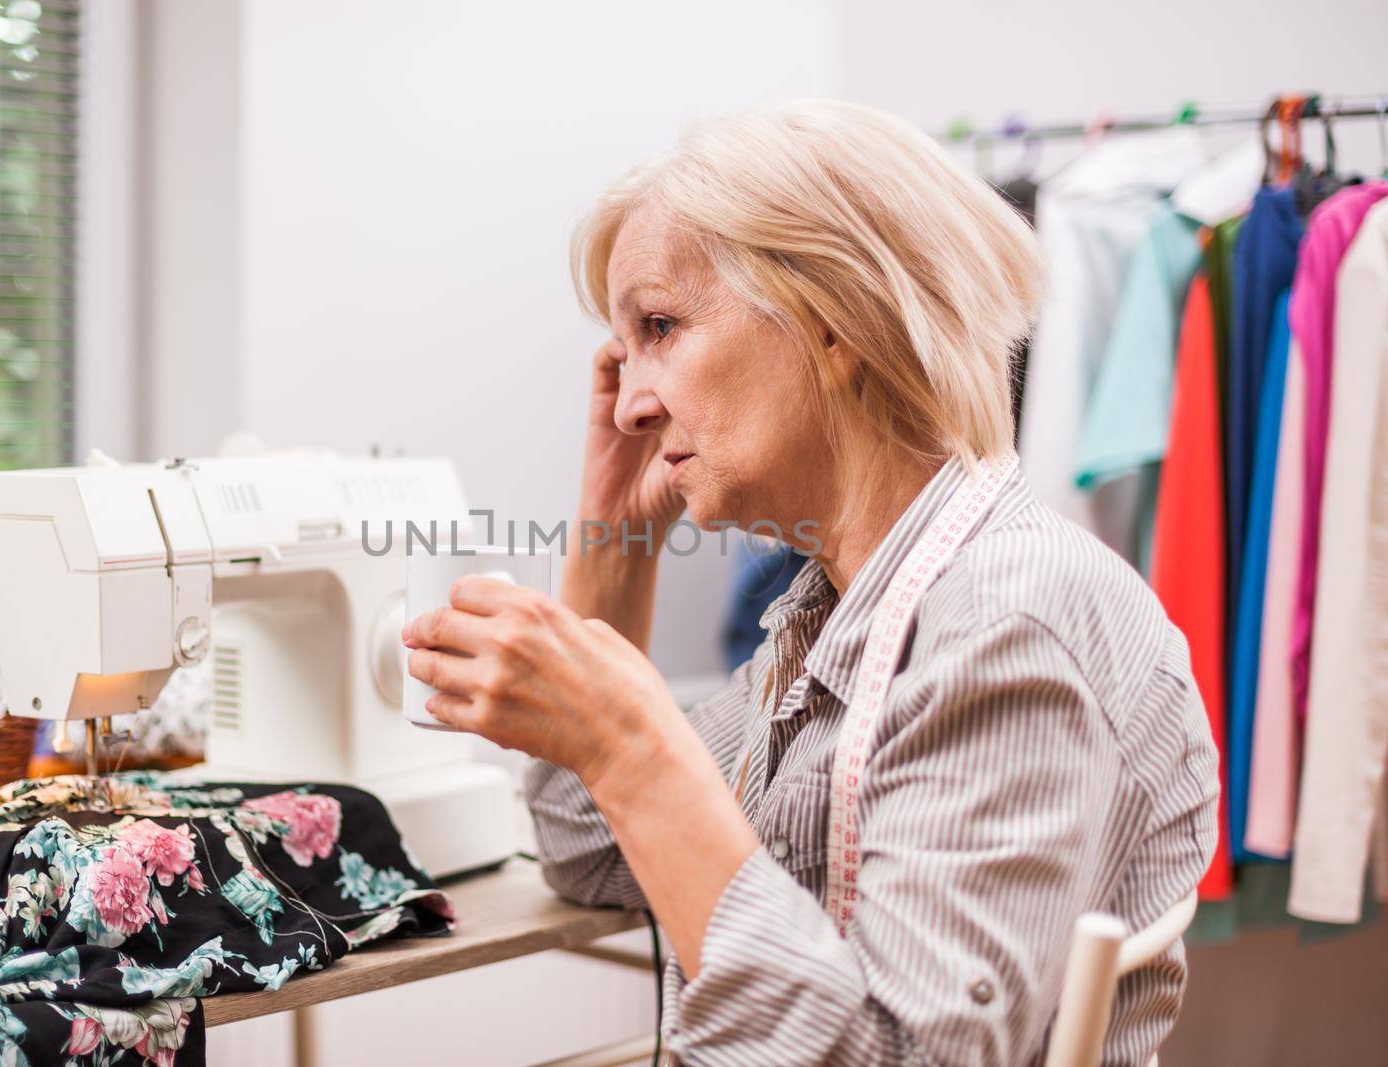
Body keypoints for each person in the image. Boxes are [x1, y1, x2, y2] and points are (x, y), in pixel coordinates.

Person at [401, 100, 1218, 1066]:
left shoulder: (1008, 617)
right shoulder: (839, 611)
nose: (629, 405)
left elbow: (897, 1054)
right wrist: (616, 546)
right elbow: (590, 847)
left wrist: (629, 743)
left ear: (833, 318)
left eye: (660, 326)